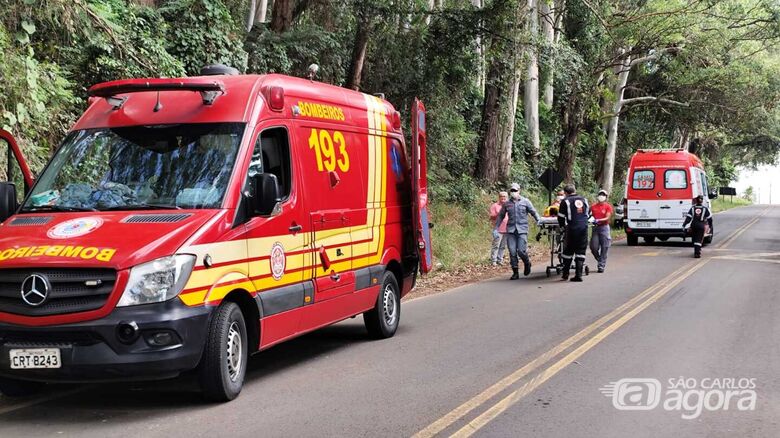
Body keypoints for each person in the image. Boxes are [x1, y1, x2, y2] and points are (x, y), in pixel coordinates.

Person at [495, 183, 541, 280]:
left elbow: (533, 212)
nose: (513, 192)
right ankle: (515, 272)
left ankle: (527, 262)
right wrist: (496, 228)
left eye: (515, 191)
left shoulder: (525, 201)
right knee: (512, 251)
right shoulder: (507, 204)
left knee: (521, 251)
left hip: (522, 230)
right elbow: (500, 216)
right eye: (512, 191)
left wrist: (539, 221)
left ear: (519, 191)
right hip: (511, 230)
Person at [557, 184, 590, 282]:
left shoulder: (565, 201)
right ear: (575, 190)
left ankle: (565, 273)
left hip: (572, 228)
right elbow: (588, 213)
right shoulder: (584, 200)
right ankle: (579, 275)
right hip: (584, 228)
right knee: (581, 251)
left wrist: (562, 227)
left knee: (568, 251)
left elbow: (561, 217)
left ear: (566, 193)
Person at [589, 189, 613, 273]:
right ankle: (599, 259)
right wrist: (590, 219)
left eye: (603, 195)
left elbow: (607, 217)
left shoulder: (608, 206)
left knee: (605, 247)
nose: (601, 196)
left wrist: (599, 220)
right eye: (600, 194)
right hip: (595, 228)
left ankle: (601, 265)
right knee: (593, 247)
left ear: (606, 197)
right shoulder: (593, 206)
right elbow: (588, 215)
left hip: (604, 228)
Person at [489, 191, 509, 266]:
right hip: (498, 229)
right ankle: (493, 260)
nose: (503, 198)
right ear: (499, 197)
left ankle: (500, 260)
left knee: (503, 246)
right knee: (496, 245)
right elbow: (491, 216)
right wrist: (499, 213)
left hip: (507, 229)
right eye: (502, 196)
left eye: (505, 197)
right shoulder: (495, 205)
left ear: (507, 198)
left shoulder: (509, 205)